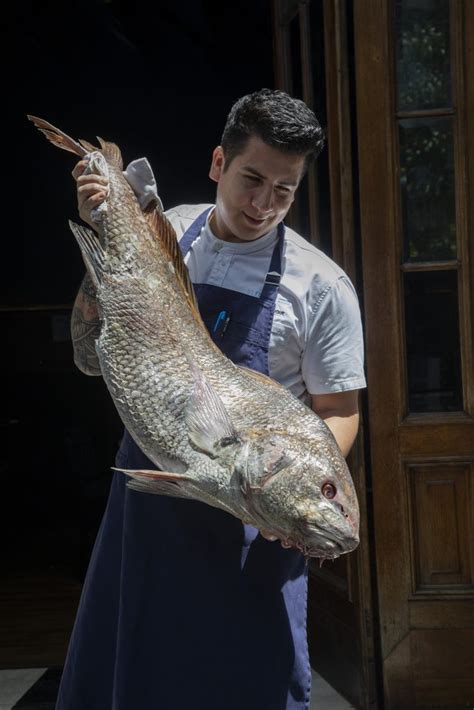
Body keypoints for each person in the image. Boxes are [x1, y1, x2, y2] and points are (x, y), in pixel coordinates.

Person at [57, 89, 366, 710]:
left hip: (253, 531)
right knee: (137, 680)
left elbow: (339, 410)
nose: (263, 204)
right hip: (150, 509)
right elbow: (91, 357)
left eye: (284, 191)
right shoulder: (164, 232)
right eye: (252, 178)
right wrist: (102, 237)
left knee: (248, 686)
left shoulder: (323, 286)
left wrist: (293, 496)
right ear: (218, 162)